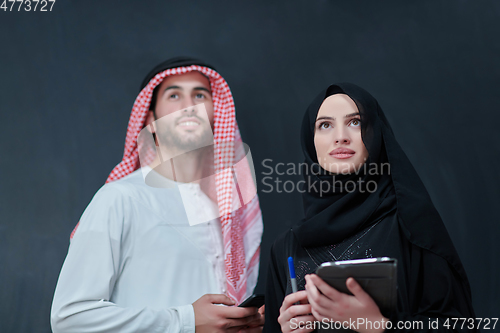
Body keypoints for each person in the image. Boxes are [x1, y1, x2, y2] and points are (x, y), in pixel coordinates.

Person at [51, 57, 265, 333]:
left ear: (217, 114)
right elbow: (69, 318)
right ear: (151, 120)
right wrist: (185, 321)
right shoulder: (120, 199)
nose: (189, 105)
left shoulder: (229, 213)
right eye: (174, 95)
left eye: (200, 95)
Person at [263, 83, 477, 333]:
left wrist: (379, 326)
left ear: (376, 135)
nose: (340, 136)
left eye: (355, 122)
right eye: (325, 125)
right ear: (311, 144)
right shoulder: (286, 247)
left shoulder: (411, 227)